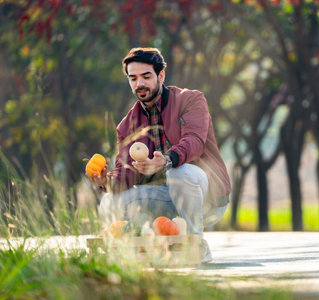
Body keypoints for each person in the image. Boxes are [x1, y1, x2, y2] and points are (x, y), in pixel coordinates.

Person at [87, 47, 231, 262]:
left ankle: (196, 243)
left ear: (160, 75)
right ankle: (143, 247)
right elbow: (126, 173)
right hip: (165, 200)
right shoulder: (127, 125)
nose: (139, 84)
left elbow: (194, 142)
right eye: (133, 78)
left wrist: (166, 161)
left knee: (178, 172)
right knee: (109, 201)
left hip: (204, 196)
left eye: (146, 76)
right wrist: (105, 181)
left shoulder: (191, 100)